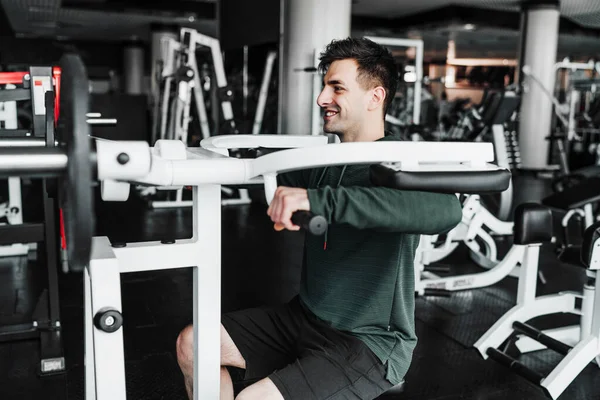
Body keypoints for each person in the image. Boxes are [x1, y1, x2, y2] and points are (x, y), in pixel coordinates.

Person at [176, 37, 462, 400]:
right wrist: (202, 170)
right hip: (305, 318)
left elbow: (446, 211)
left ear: (375, 97)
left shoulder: (401, 164)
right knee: (193, 344)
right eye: (324, 86)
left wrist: (318, 200)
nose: (321, 98)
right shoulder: (324, 162)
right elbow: (263, 177)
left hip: (368, 343)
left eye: (336, 87)